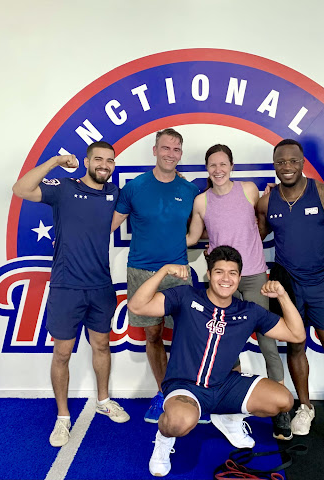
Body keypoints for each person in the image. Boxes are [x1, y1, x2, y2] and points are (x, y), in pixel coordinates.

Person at [127, 246, 305, 477]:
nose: (226, 278)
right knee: (178, 423)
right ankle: (164, 438)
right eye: (219, 272)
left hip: (224, 386)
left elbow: (296, 335)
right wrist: (163, 272)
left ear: (239, 278)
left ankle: (227, 417)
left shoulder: (248, 311)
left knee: (284, 400)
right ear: (209, 274)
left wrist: (282, 296)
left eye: (232, 273)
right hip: (185, 386)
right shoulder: (186, 296)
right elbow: (137, 306)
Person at [12, 141, 130, 447]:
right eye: (98, 159)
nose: (104, 165)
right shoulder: (64, 188)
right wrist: (55, 161)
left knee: (101, 346)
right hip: (66, 287)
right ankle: (63, 417)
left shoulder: (114, 193)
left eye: (110, 160)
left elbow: (138, 203)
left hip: (101, 286)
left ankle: (103, 401)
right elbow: (21, 189)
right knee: (62, 353)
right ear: (87, 162)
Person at [257, 139, 324, 451]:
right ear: (275, 165)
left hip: (323, 285)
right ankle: (305, 407)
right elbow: (251, 237)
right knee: (295, 347)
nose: (287, 167)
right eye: (280, 162)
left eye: (292, 161)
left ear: (302, 163)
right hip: (288, 286)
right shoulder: (266, 203)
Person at [185, 144, 288, 439]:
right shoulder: (201, 201)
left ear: (231, 166)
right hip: (223, 280)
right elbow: (192, 237)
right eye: (212, 165)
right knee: (225, 343)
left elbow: (265, 218)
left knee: (267, 341)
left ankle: (281, 410)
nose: (218, 170)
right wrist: (158, 241)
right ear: (207, 168)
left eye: (223, 164)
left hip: (253, 274)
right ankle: (231, 405)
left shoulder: (248, 190)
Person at [111, 128, 199, 423]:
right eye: (165, 148)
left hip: (178, 272)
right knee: (153, 334)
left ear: (181, 154)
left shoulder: (190, 191)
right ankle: (163, 393)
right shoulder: (134, 188)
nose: (170, 154)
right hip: (141, 271)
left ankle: (186, 395)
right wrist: (71, 235)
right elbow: (107, 225)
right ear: (155, 150)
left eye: (176, 149)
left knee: (187, 336)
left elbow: (207, 223)